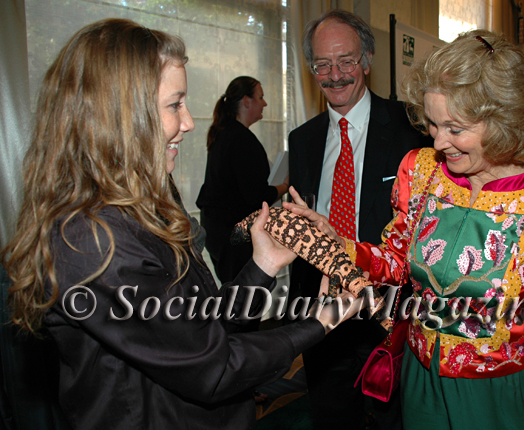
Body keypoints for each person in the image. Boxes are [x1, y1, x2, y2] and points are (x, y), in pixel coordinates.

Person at [0, 18, 361, 430]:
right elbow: (215, 368)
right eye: (175, 105)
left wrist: (263, 264)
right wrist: (323, 319)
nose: (189, 122)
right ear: (120, 116)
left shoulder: (138, 208)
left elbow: (204, 327)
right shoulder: (94, 240)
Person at [285, 29, 524, 429]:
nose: (439, 141)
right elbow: (394, 260)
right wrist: (332, 243)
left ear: (504, 121)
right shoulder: (421, 169)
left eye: (455, 128)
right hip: (421, 380)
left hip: (500, 394)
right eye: (432, 124)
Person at [287, 9, 431, 429]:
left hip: (389, 313)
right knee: (331, 417)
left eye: (346, 60)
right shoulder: (303, 140)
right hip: (322, 314)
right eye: (322, 64)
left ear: (367, 61)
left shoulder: (411, 131)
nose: (334, 75)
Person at [196, 76, 289, 284]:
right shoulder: (242, 140)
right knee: (245, 301)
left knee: (234, 295)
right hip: (234, 236)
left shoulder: (223, 133)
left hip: (215, 230)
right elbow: (255, 196)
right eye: (261, 97)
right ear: (247, 101)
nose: (264, 103)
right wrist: (285, 185)